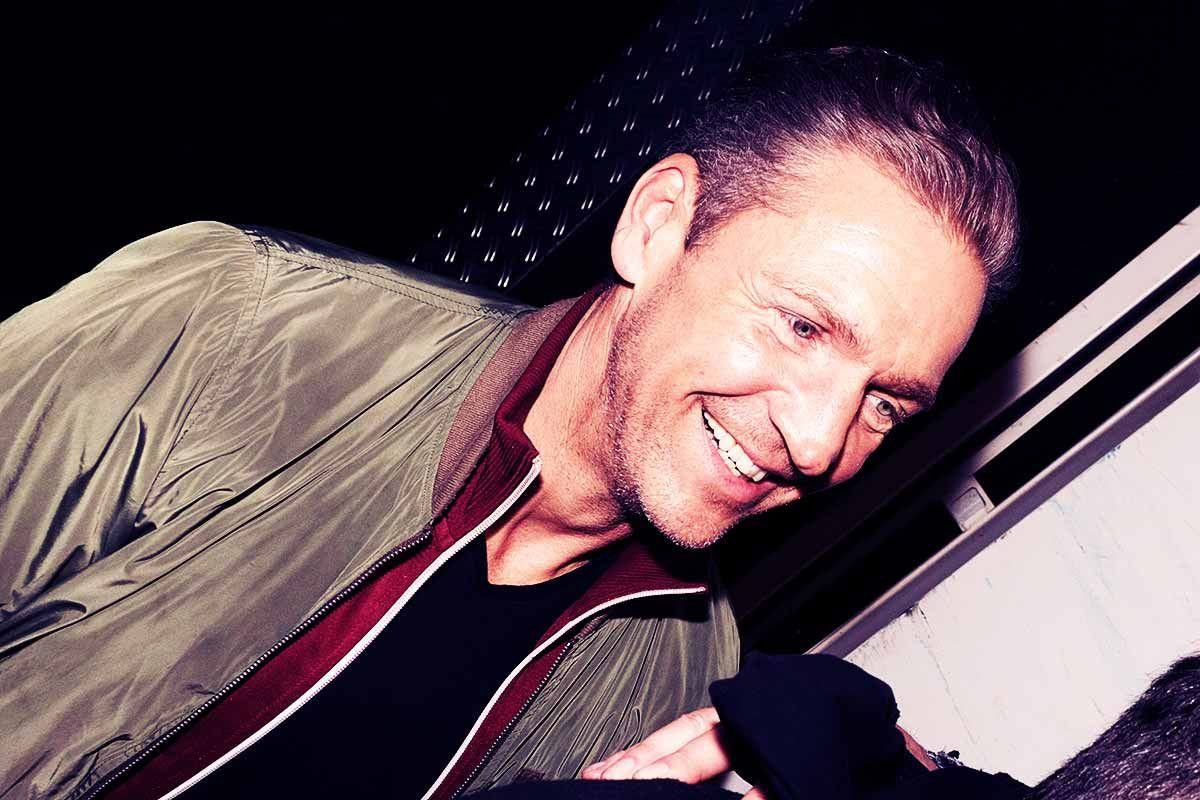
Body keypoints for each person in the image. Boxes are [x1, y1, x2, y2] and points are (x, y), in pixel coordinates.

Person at [0, 47, 1018, 800]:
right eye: (801, 325)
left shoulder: (685, 687)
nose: (821, 440)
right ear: (657, 227)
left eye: (884, 401)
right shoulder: (232, 325)